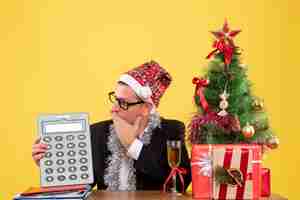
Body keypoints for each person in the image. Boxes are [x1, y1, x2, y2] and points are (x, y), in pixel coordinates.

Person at [32, 60, 191, 191]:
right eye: (115, 99)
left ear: (146, 108)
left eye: (123, 103)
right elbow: (79, 189)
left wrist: (133, 146)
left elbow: (179, 185)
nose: (113, 108)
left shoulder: (171, 131)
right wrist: (50, 163)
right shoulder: (97, 132)